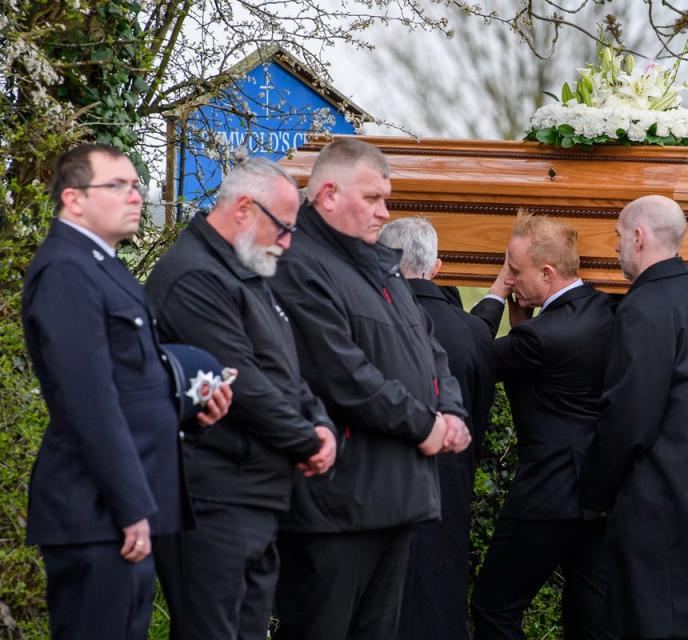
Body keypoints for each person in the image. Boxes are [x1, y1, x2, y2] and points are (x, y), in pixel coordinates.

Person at [21, 143, 230, 640]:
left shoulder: (101, 265)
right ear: (73, 199)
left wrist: (188, 401)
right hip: (99, 511)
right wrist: (130, 506)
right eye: (118, 186)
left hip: (118, 507)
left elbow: (132, 380)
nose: (136, 196)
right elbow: (88, 400)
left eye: (137, 185)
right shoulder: (66, 271)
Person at [268, 138, 471, 640]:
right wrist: (424, 425)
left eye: (386, 199)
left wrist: (451, 410)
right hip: (338, 500)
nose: (385, 212)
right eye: (373, 198)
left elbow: (429, 346)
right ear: (330, 194)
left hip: (395, 491)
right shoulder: (298, 264)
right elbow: (340, 372)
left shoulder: (380, 266)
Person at [145, 156, 337, 640]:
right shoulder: (193, 276)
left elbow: (288, 372)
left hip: (254, 494)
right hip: (211, 496)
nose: (288, 242)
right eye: (284, 227)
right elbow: (244, 382)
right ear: (245, 208)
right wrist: (307, 441)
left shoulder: (249, 277)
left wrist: (322, 425)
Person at [579, 195, 688, 639]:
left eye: (619, 236)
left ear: (638, 237)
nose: (615, 247)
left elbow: (628, 418)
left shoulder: (643, 307)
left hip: (655, 502)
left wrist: (593, 493)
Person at [469, 213, 616, 640]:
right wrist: (523, 322)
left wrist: (496, 294)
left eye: (515, 271)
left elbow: (470, 355)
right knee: (589, 615)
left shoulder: (540, 339)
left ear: (547, 272)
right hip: (600, 490)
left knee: (493, 606)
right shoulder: (607, 310)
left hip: (548, 491)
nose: (511, 279)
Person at [379, 216, 497, 640]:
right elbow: (477, 419)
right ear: (437, 268)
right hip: (449, 485)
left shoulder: (366, 319)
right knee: (437, 603)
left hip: (378, 489)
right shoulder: (472, 332)